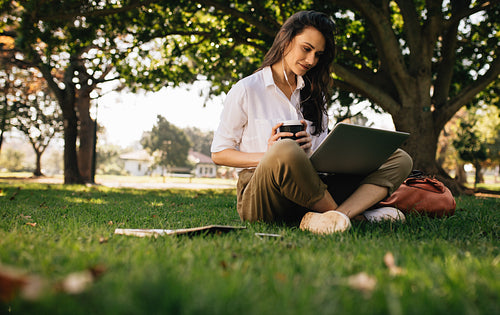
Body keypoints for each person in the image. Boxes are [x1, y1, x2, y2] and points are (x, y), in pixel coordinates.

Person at [210, 11, 413, 234]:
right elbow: (219, 153)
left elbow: (322, 158)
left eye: (318, 54)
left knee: (399, 158)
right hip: (263, 197)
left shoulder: (315, 95)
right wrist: (269, 155)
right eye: (306, 49)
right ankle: (353, 218)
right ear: (286, 39)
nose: (311, 61)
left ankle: (332, 219)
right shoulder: (247, 89)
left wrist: (311, 150)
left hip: (311, 189)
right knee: (285, 149)